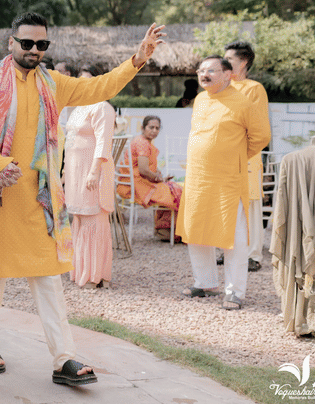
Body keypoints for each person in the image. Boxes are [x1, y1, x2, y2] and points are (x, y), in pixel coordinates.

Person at [0, 12, 165, 384]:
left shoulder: (52, 83)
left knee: (48, 278)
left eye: (41, 44)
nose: (34, 50)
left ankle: (64, 359)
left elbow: (98, 88)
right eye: (27, 43)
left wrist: (136, 60)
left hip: (40, 201)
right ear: (11, 42)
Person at [177, 56, 270, 311]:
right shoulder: (200, 100)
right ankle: (205, 282)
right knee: (196, 230)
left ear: (228, 74)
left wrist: (235, 156)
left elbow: (261, 136)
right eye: (201, 70)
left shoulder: (243, 101)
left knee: (234, 236)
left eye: (211, 70)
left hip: (228, 178)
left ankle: (234, 291)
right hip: (198, 177)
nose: (204, 74)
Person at [63, 64, 116, 289]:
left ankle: (95, 275)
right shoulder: (77, 108)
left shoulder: (103, 107)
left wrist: (94, 171)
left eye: (88, 80)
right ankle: (80, 272)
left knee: (94, 219)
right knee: (79, 218)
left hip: (93, 170)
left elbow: (104, 141)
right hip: (75, 171)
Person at [225, 41, 269, 272]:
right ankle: (228, 248)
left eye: (229, 60)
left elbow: (258, 126)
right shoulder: (222, 88)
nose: (224, 64)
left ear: (243, 62)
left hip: (247, 155)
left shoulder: (254, 89)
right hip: (224, 156)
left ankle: (253, 255)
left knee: (250, 206)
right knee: (228, 203)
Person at [115, 115, 183, 240]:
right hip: (138, 186)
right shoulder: (142, 144)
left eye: (157, 128)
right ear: (143, 128)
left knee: (174, 189)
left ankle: (166, 231)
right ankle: (171, 232)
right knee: (176, 193)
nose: (154, 131)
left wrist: (159, 177)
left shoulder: (141, 141)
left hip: (134, 183)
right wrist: (160, 179)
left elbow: (147, 168)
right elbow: (144, 170)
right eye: (151, 127)